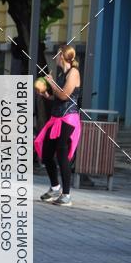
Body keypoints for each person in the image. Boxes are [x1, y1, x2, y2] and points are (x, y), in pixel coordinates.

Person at [34, 44, 82, 207]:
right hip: (56, 119)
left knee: (62, 156)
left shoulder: (73, 72)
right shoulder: (61, 73)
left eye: (57, 54)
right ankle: (55, 187)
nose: (55, 56)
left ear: (62, 56)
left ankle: (66, 195)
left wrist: (51, 82)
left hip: (68, 120)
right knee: (47, 154)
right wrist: (46, 94)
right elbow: (56, 97)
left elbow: (64, 95)